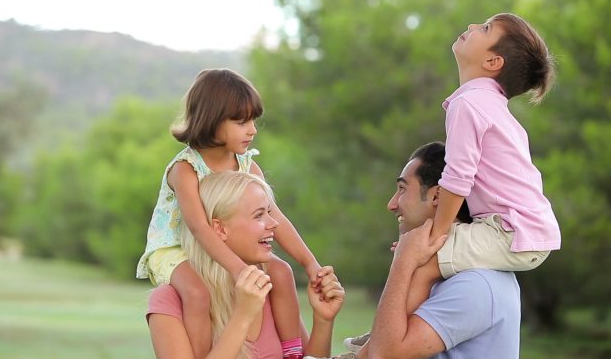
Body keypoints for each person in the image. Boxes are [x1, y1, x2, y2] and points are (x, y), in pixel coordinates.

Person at [346, 12, 562, 353]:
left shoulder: (469, 103)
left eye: (486, 28)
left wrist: (435, 235)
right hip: (523, 231)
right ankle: (380, 337)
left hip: (511, 232)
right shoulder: (491, 106)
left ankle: (376, 346)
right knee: (420, 254)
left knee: (423, 260)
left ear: (493, 61)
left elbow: (458, 178)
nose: (474, 26)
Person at [136, 69, 322, 359]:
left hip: (219, 247)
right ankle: (203, 353)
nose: (252, 130)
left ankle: (293, 352)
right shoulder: (185, 169)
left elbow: (278, 220)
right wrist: (238, 269)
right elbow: (198, 227)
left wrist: (310, 263)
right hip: (175, 248)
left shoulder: (247, 166)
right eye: (241, 121)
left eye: (253, 121)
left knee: (282, 272)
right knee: (197, 294)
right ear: (211, 120)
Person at [330, 142, 520, 359]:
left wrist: (403, 262)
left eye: (402, 188)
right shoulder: (446, 275)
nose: (391, 204)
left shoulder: (477, 284)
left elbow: (382, 355)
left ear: (437, 196)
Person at [147, 171, 345, 359]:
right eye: (259, 215)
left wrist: (323, 321)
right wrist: (243, 315)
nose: (273, 223)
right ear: (220, 229)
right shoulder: (170, 301)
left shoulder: (273, 283)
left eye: (269, 212)